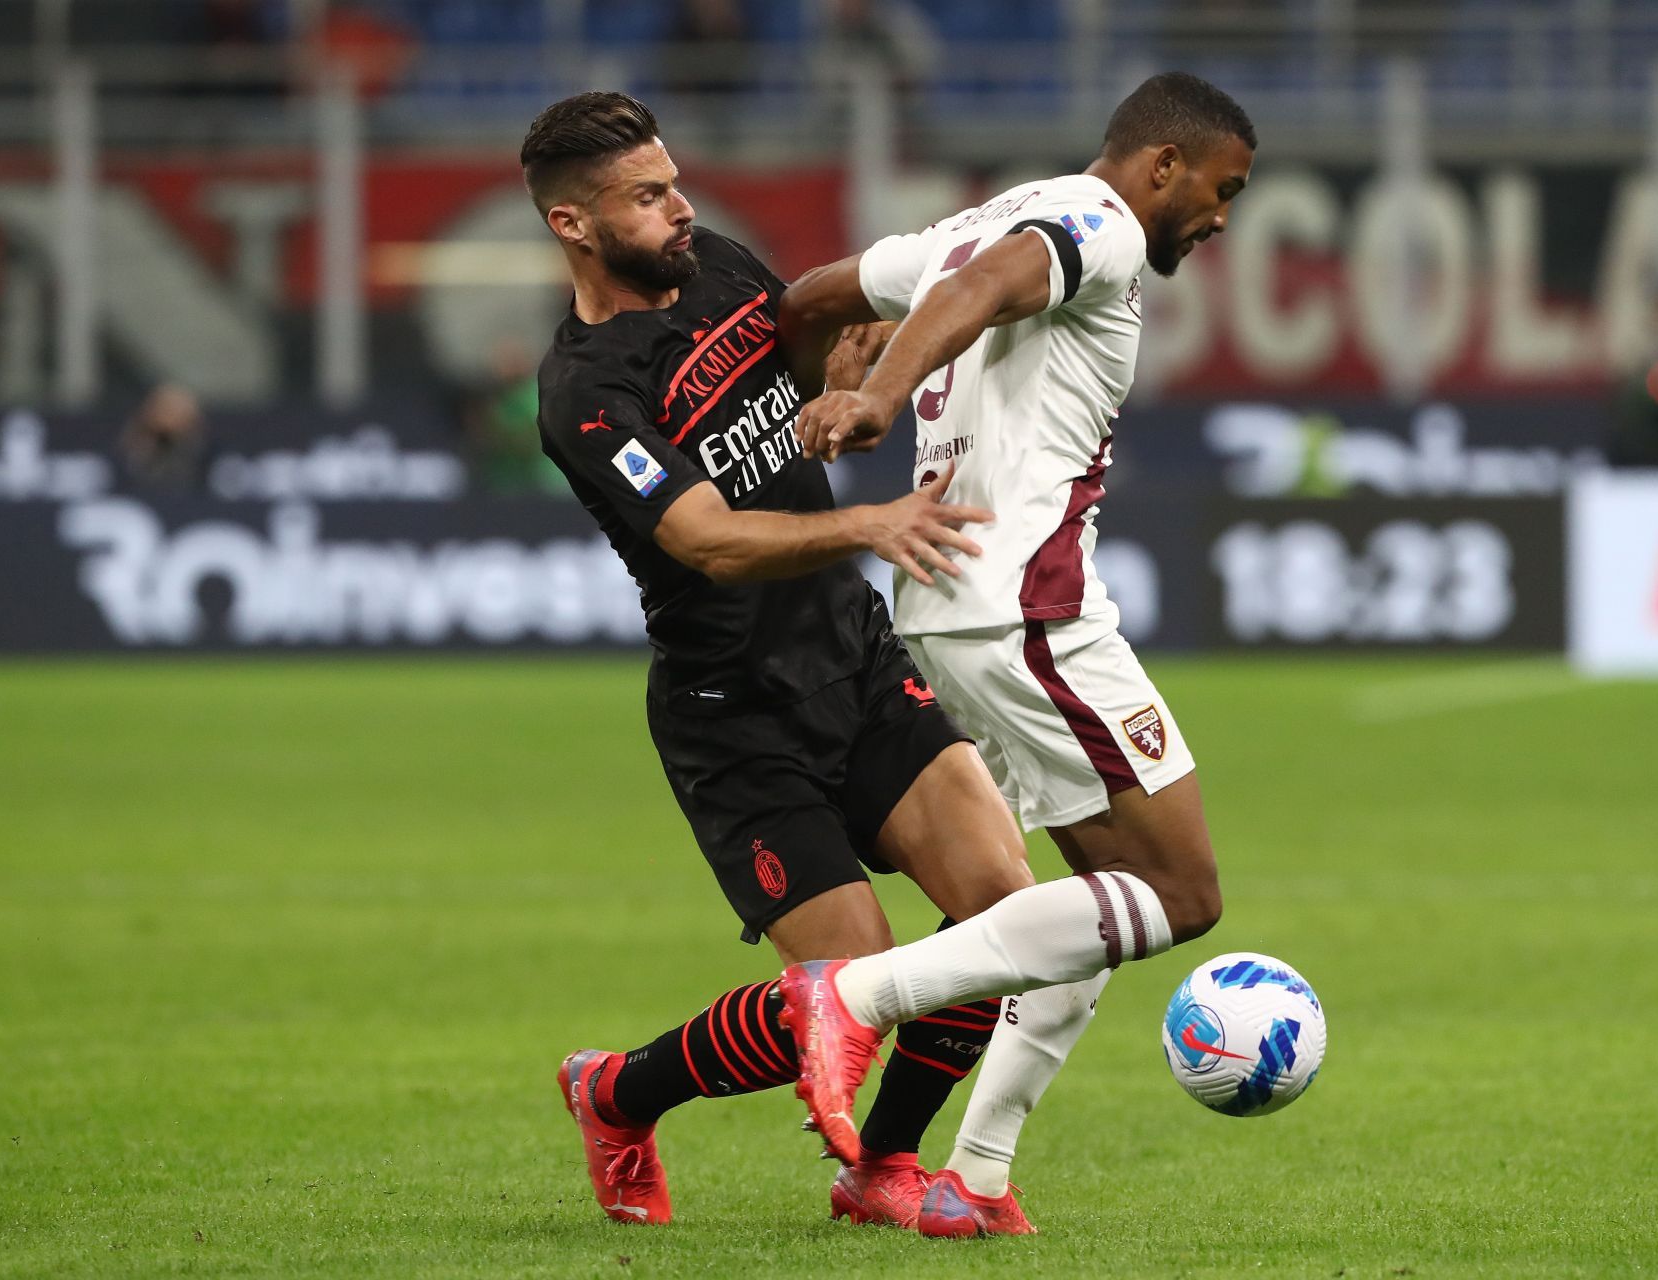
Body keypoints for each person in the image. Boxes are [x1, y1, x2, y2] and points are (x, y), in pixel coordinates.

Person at [522, 91, 1038, 1230]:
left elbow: (785, 381)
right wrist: (866, 523)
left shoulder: (720, 270)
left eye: (674, 180)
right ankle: (617, 1092)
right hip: (736, 711)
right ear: (573, 223)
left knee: (1004, 915)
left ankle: (883, 1168)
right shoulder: (584, 395)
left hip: (848, 652)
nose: (680, 208)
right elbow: (703, 537)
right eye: (647, 197)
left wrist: (845, 373)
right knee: (848, 988)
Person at [771, 71, 1257, 1236]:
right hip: (1031, 611)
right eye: (1221, 187)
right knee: (1179, 894)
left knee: (1095, 900)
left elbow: (810, 296)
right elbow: (991, 288)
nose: (1223, 215)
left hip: (950, 607)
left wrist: (813, 386)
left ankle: (974, 1179)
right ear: (1158, 166)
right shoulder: (1095, 222)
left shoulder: (966, 221)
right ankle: (857, 998)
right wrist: (879, 392)